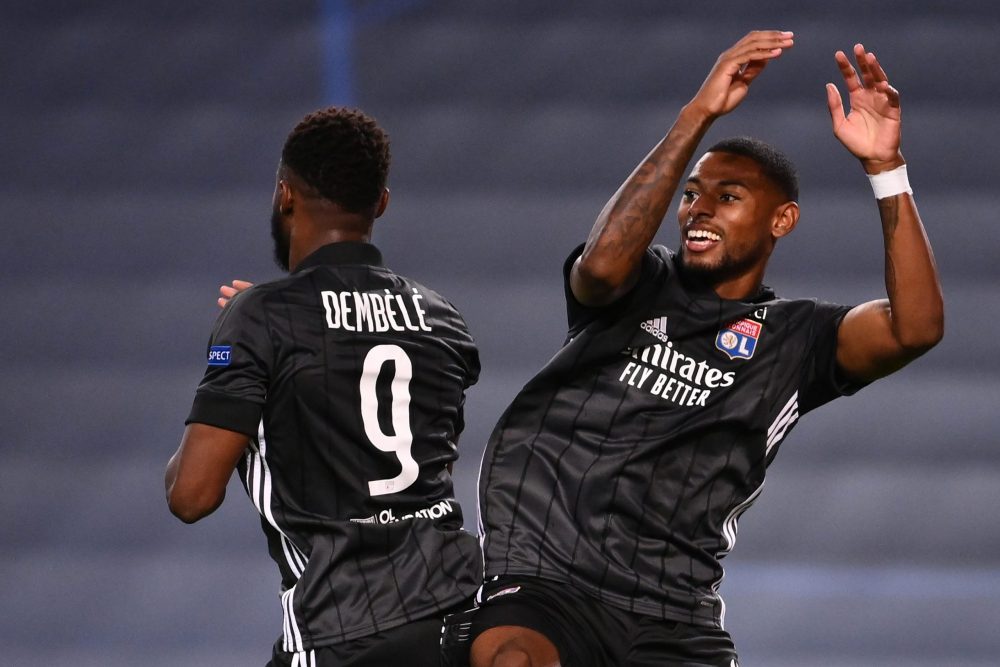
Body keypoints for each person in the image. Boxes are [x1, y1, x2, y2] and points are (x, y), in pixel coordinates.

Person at [464, 31, 944, 666]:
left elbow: (916, 328)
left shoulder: (796, 339)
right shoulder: (637, 277)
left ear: (782, 221)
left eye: (728, 197)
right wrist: (698, 115)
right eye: (692, 194)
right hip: (547, 582)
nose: (699, 211)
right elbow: (601, 269)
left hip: (674, 612)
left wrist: (887, 171)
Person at [164, 107, 483, 667]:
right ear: (381, 203)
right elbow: (426, 464)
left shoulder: (257, 320)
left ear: (285, 195)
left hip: (339, 631)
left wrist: (241, 365)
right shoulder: (441, 318)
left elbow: (190, 496)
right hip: (455, 621)